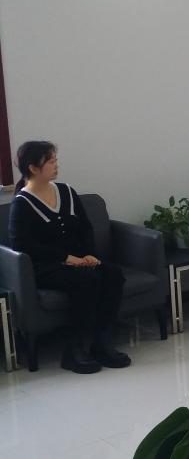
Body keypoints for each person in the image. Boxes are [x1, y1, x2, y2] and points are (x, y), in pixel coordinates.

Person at [7, 141, 131, 374]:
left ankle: (101, 343)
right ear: (33, 168)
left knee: (113, 274)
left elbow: (85, 227)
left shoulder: (66, 191)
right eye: (50, 161)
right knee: (86, 281)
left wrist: (88, 254)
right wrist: (66, 258)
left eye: (56, 160)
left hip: (80, 259)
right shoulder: (22, 203)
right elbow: (23, 245)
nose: (56, 165)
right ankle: (73, 350)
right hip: (47, 266)